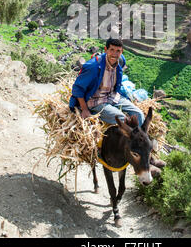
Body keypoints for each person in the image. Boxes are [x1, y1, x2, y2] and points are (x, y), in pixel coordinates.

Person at [69, 37, 165, 174]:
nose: (114, 53)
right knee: (121, 118)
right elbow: (77, 89)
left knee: (138, 113)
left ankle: (147, 155)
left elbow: (117, 86)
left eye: (118, 51)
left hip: (113, 97)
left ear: (121, 52)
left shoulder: (119, 63)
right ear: (106, 50)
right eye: (112, 50)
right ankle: (134, 154)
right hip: (96, 101)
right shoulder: (93, 66)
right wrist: (84, 109)